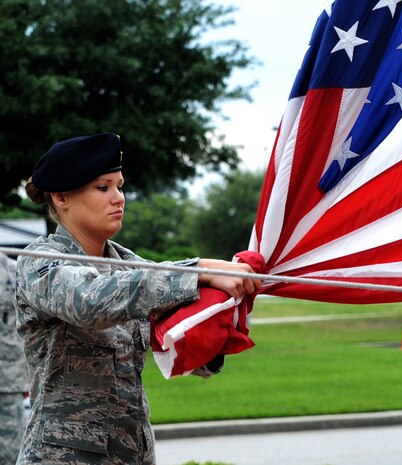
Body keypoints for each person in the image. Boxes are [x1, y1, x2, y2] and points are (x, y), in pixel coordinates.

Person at [14, 132, 262, 464]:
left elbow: (186, 350)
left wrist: (220, 311)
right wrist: (197, 269)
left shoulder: (130, 264)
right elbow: (90, 302)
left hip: (134, 453)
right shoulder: (39, 262)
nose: (118, 198)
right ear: (61, 197)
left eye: (120, 186)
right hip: (63, 455)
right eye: (103, 188)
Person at [0, 252, 30, 464]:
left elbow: (26, 328)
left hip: (9, 380)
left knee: (12, 453)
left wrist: (26, 377)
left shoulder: (15, 270)